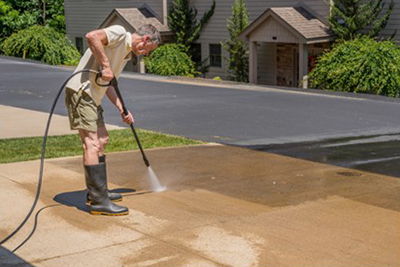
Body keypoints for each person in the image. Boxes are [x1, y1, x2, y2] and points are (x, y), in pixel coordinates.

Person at [65, 24, 161, 216]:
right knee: (91, 144)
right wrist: (106, 65)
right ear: (146, 40)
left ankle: (99, 191)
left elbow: (108, 83)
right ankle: (99, 201)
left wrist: (122, 109)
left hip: (93, 96)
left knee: (102, 140)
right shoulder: (119, 33)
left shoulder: (125, 53)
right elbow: (91, 36)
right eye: (148, 50)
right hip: (82, 92)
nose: (145, 54)